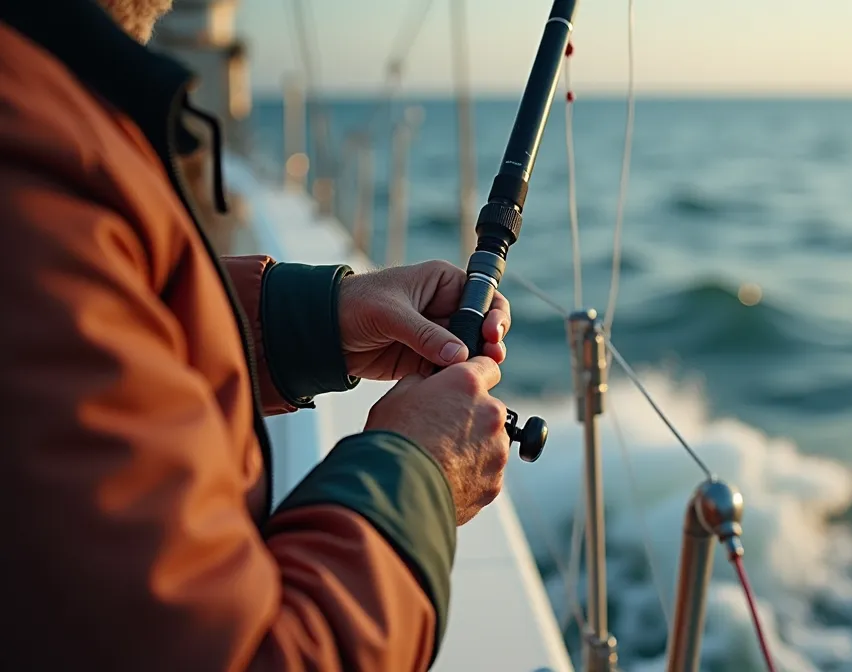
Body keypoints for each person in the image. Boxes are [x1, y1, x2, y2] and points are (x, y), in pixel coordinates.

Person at [0, 1, 514, 669]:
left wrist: (319, 320)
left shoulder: (39, 98)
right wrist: (418, 474)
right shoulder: (27, 149)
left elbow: (95, 317)